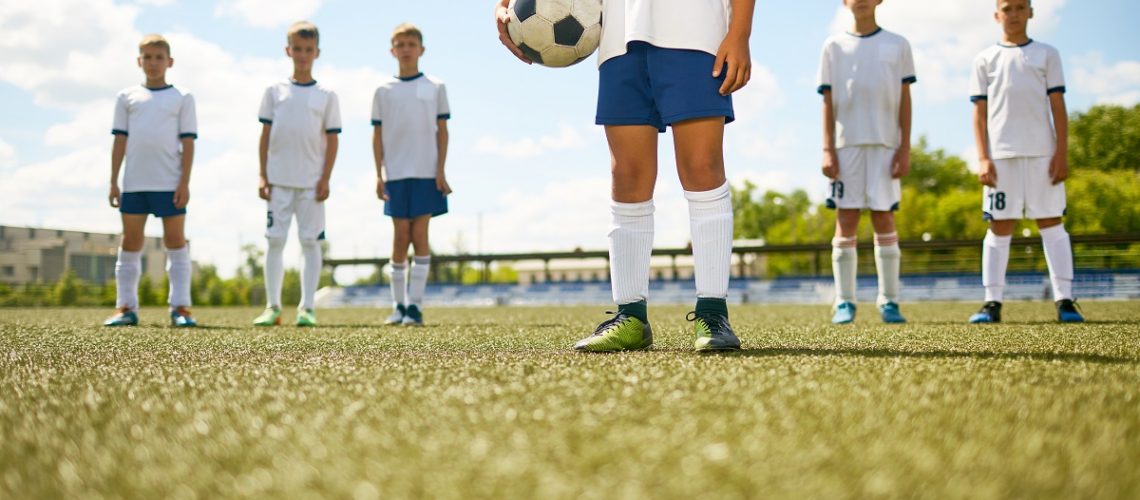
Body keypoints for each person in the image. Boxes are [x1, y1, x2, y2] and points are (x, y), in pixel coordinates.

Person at [496, 0, 756, 352]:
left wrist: (740, 33)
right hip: (620, 39)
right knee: (627, 176)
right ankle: (630, 315)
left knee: (702, 166)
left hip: (696, 33)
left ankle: (713, 313)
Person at [967, 0, 1083, 323]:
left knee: (1051, 221)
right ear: (996, 15)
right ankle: (992, 303)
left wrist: (1061, 152)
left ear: (1031, 12)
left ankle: (1065, 300)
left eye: (1020, 7)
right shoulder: (984, 59)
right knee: (999, 225)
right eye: (1007, 8)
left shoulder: (1047, 54)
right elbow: (978, 114)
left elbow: (1058, 106)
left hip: (1043, 154)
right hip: (1001, 157)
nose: (1014, 14)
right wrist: (983, 157)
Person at [817, 0, 915, 324]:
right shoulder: (833, 46)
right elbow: (827, 101)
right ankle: (844, 302)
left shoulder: (898, 44)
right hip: (847, 146)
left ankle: (889, 301)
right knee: (846, 220)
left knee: (884, 218)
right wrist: (828, 148)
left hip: (886, 145)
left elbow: (905, 100)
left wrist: (904, 147)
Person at [104, 34, 198, 328]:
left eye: (159, 57)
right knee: (130, 242)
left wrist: (184, 183)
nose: (153, 62)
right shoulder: (126, 97)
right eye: (148, 57)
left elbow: (189, 143)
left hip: (169, 183)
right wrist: (113, 181)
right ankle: (126, 308)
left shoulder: (182, 97)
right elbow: (120, 141)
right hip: (134, 183)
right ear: (139, 61)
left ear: (169, 62)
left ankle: (180, 308)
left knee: (175, 241)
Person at [252, 21, 342, 327]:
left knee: (310, 243)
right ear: (288, 50)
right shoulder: (274, 91)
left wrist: (326, 177)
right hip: (278, 181)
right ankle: (273, 307)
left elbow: (332, 138)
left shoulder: (326, 94)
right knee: (274, 242)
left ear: (316, 52)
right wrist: (263, 175)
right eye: (297, 49)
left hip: (311, 183)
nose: (303, 55)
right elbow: (264, 135)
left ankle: (307, 308)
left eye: (309, 50)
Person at [372, 23, 452, 327]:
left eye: (411, 44)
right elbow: (377, 135)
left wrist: (440, 170)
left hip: (426, 173)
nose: (406, 49)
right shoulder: (383, 90)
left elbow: (442, 131)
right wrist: (378, 174)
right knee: (399, 237)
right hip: (395, 173)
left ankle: (415, 307)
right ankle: (398, 306)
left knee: (420, 235)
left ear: (421, 49)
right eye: (400, 44)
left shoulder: (436, 87)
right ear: (393, 51)